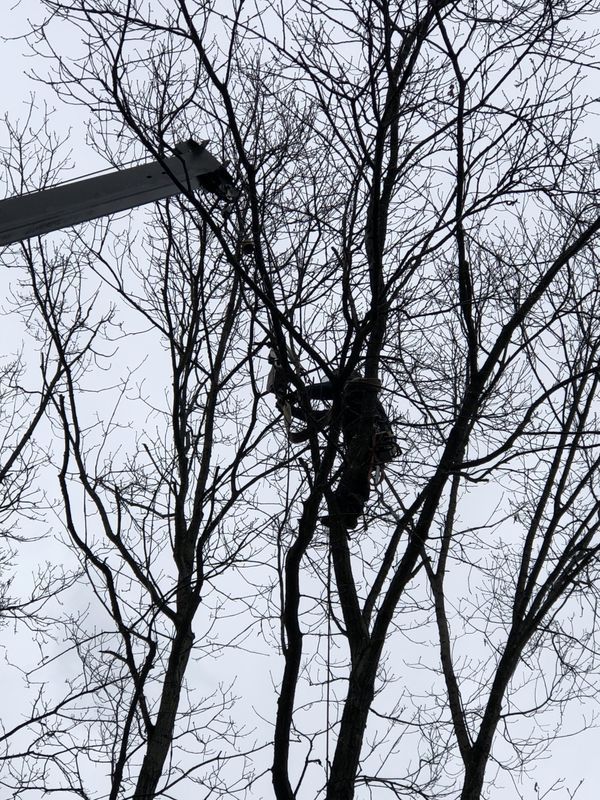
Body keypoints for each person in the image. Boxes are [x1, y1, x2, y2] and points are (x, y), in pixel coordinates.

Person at [268, 356, 399, 529]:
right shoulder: (347, 401)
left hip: (368, 437)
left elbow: (327, 389)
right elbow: (320, 417)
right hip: (364, 444)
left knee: (351, 478)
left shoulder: (356, 387)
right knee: (355, 479)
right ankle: (348, 514)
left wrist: (298, 393)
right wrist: (292, 410)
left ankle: (343, 513)